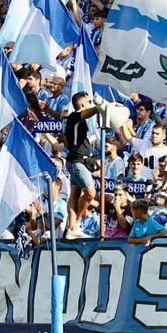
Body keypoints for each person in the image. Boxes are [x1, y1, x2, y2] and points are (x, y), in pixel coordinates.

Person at [64, 93, 101, 238]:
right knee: (90, 193)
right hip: (77, 161)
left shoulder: (77, 120)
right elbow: (90, 112)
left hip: (78, 160)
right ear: (83, 104)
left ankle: (71, 228)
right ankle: (76, 223)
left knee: (75, 194)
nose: (91, 103)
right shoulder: (74, 117)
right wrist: (100, 106)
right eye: (89, 101)